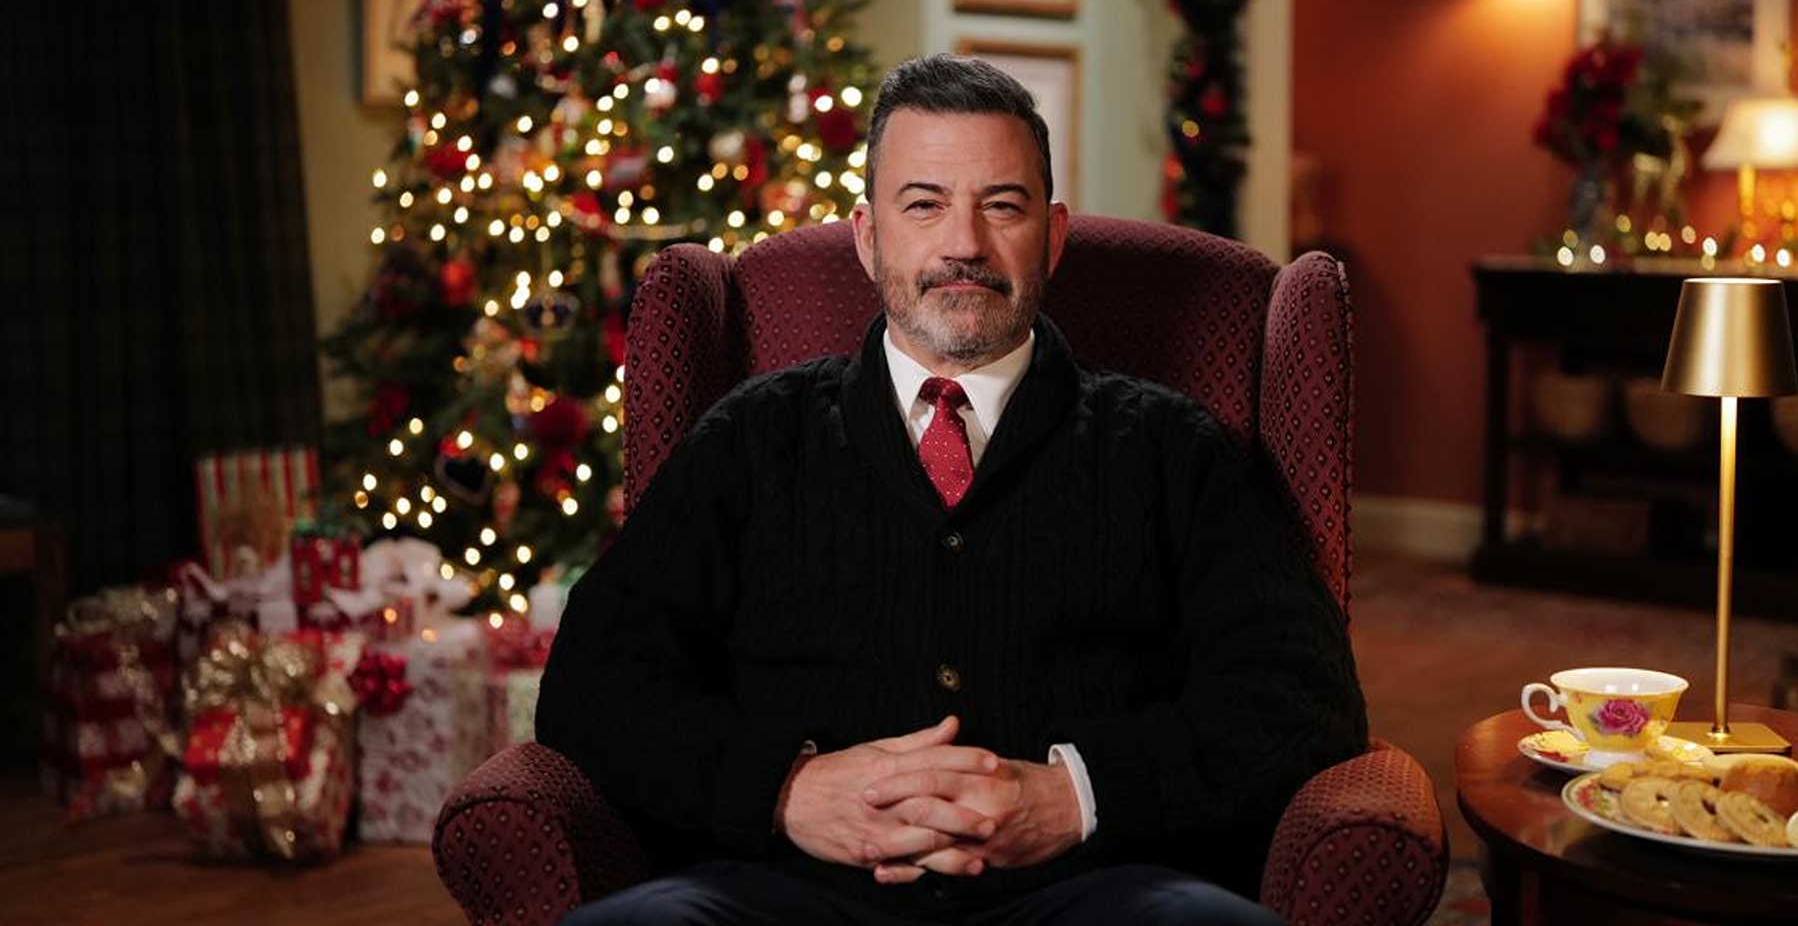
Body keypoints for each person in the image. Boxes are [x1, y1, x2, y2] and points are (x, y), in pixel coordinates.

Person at [537, 54, 1367, 925]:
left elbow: (1303, 692)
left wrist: (1075, 794)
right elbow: (596, 680)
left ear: (1051, 236)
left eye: (1000, 206)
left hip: (1095, 891)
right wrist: (787, 788)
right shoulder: (751, 439)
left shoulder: (1172, 450)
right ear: (868, 236)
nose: (963, 244)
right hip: (779, 892)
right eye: (924, 204)